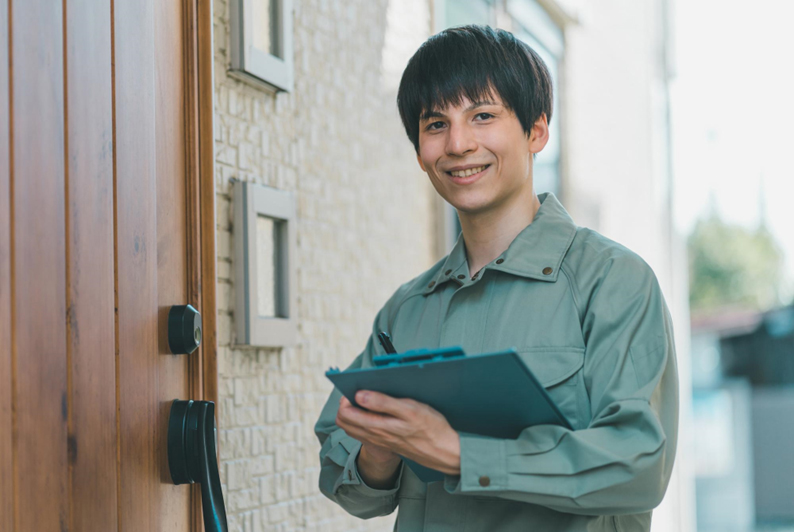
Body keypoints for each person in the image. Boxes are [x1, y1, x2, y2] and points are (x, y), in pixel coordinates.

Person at [314, 25, 678, 532]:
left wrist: (460, 453)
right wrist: (382, 447)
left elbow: (639, 464)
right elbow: (350, 484)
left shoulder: (613, 281)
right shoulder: (407, 309)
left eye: (482, 116)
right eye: (435, 123)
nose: (458, 144)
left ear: (536, 131)